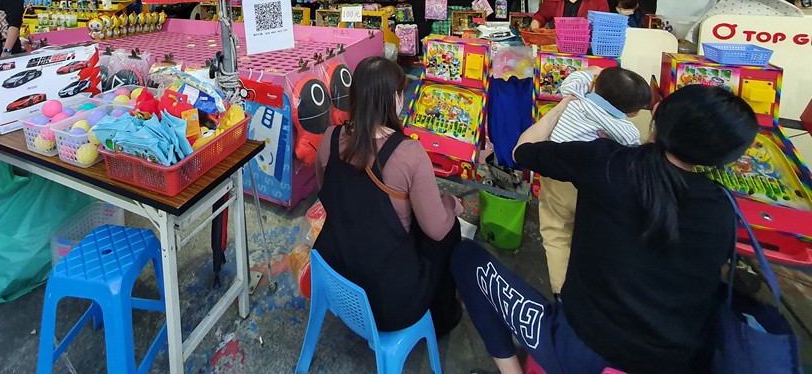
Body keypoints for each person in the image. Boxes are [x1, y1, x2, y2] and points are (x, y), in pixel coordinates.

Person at [451, 85, 758, 374]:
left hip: (579, 348)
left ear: (657, 110)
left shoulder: (607, 161)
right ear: (730, 157)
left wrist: (564, 104)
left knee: (464, 257)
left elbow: (524, 150)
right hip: (675, 361)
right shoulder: (724, 209)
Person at [314, 56, 463, 336]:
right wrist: (451, 205)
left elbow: (327, 193)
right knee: (449, 232)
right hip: (388, 305)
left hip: (338, 277)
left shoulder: (330, 138)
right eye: (401, 93)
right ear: (394, 100)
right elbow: (436, 229)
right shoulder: (409, 153)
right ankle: (444, 318)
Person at [537, 67, 651, 297]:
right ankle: (589, 284)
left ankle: (561, 291)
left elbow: (574, 78)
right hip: (594, 184)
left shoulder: (574, 97)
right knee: (590, 232)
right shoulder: (627, 131)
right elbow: (634, 156)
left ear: (594, 86)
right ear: (635, 113)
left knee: (556, 231)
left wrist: (592, 70)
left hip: (557, 175)